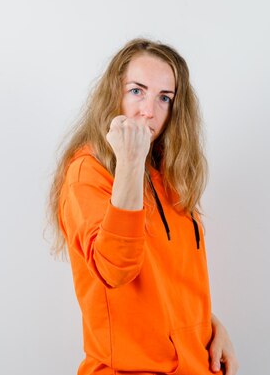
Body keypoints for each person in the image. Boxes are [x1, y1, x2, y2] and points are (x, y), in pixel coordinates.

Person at [49, 38, 238, 374]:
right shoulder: (87, 173)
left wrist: (210, 327)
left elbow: (168, 281)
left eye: (164, 98)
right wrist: (130, 163)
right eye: (137, 91)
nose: (149, 110)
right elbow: (114, 268)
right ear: (113, 93)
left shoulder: (167, 171)